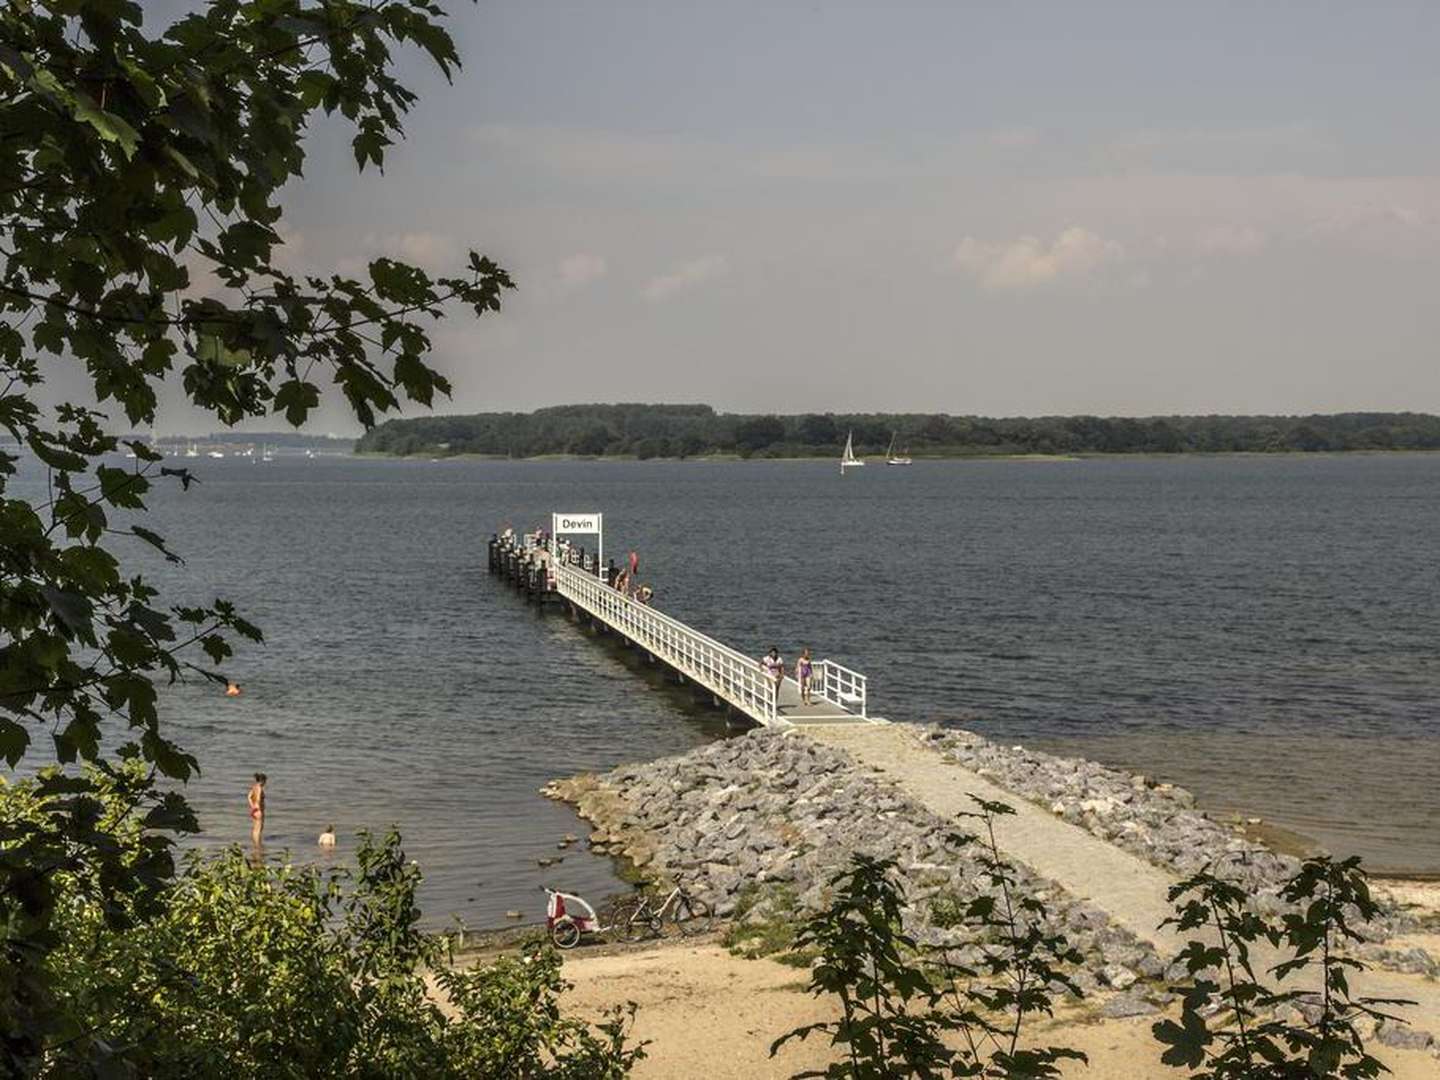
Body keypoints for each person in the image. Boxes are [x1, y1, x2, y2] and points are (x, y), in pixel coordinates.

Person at [247, 773, 267, 847]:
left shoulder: (254, 787)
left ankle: (255, 843)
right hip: (258, 810)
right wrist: (257, 807)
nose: (265, 783)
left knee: (255, 827)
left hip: (254, 809)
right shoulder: (259, 788)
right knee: (258, 828)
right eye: (265, 781)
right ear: (262, 781)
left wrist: (252, 806)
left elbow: (249, 797)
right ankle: (257, 845)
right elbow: (258, 798)